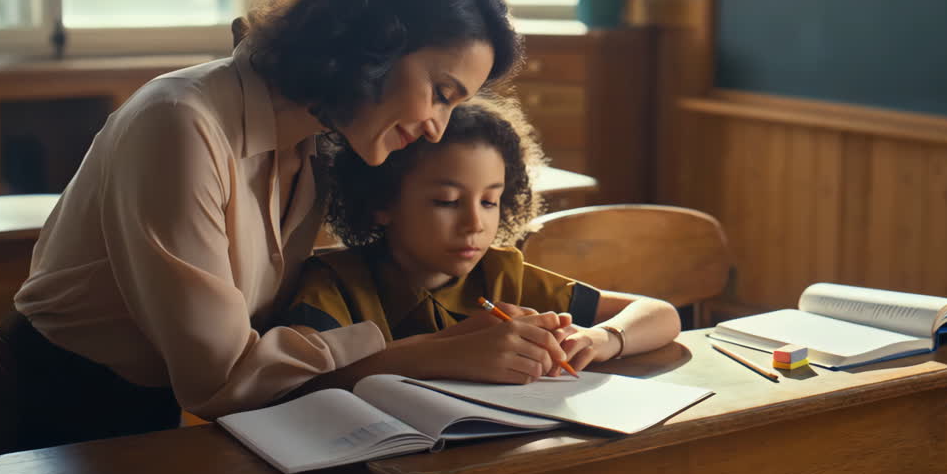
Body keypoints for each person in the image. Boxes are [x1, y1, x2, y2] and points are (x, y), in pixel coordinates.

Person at [4, 0, 574, 450]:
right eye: (440, 92)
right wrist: (432, 351)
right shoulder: (181, 122)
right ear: (375, 44)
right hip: (57, 415)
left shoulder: (320, 141)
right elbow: (220, 379)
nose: (436, 128)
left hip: (171, 412)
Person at [280, 95, 681, 389]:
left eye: (490, 201)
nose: (475, 223)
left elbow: (660, 314)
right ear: (382, 201)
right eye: (447, 202)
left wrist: (600, 338)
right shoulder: (333, 283)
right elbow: (297, 384)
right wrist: (445, 351)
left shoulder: (501, 273)